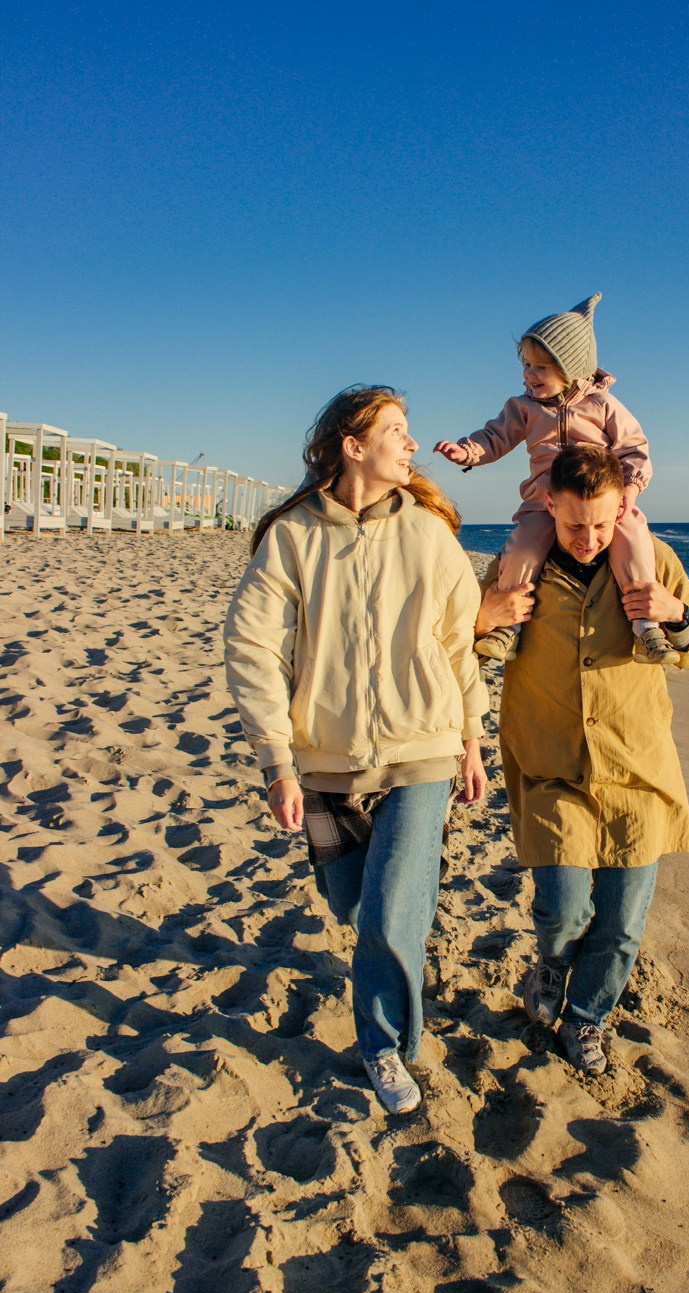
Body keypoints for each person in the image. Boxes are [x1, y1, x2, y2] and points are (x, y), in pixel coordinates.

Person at [224, 385, 488, 1115]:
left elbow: (457, 646)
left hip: (423, 747)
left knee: (390, 910)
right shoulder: (292, 536)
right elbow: (252, 649)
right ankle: (392, 957)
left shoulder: (430, 535)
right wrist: (276, 760)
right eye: (397, 431)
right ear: (353, 445)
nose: (410, 444)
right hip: (324, 760)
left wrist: (470, 739)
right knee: (353, 904)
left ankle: (383, 1047)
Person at [476, 443, 689, 1075]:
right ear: (549, 504)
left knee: (623, 925)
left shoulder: (652, 561)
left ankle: (586, 1020)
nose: (589, 537)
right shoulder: (521, 566)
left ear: (622, 509)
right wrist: (480, 617)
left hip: (637, 771)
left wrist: (675, 613)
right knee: (562, 910)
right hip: (551, 764)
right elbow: (466, 638)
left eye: (603, 524)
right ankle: (552, 962)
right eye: (576, 523)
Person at [435, 292, 676, 666]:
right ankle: (507, 629)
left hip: (603, 498)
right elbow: (495, 436)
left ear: (572, 368)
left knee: (633, 540)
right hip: (542, 499)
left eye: (541, 367)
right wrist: (467, 451)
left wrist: (630, 487)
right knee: (522, 548)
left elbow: (634, 448)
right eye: (526, 365)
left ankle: (645, 626)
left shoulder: (603, 405)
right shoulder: (524, 408)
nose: (529, 375)